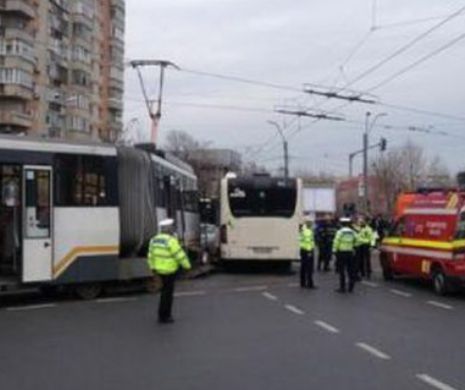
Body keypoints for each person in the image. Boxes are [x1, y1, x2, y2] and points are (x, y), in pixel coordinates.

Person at [147, 219, 191, 323]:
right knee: (167, 294)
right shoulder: (171, 241)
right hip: (169, 271)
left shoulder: (154, 240)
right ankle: (165, 316)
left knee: (163, 293)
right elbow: (180, 255)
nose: (172, 229)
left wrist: (152, 268)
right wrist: (187, 266)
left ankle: (161, 315)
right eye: (171, 227)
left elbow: (150, 255)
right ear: (168, 229)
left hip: (158, 270)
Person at [332, 217, 358, 293]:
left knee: (342, 271)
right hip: (350, 252)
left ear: (342, 224)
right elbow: (357, 240)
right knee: (350, 271)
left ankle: (342, 288)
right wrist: (353, 247)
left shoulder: (340, 232)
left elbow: (336, 241)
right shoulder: (352, 232)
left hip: (341, 253)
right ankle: (351, 287)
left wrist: (334, 251)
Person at [299, 218, 316, 289]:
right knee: (309, 268)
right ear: (308, 223)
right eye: (311, 223)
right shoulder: (308, 231)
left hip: (303, 250)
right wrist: (309, 251)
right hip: (308, 250)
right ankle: (310, 284)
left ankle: (302, 283)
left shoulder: (303, 230)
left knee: (303, 267)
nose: (312, 224)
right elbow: (308, 242)